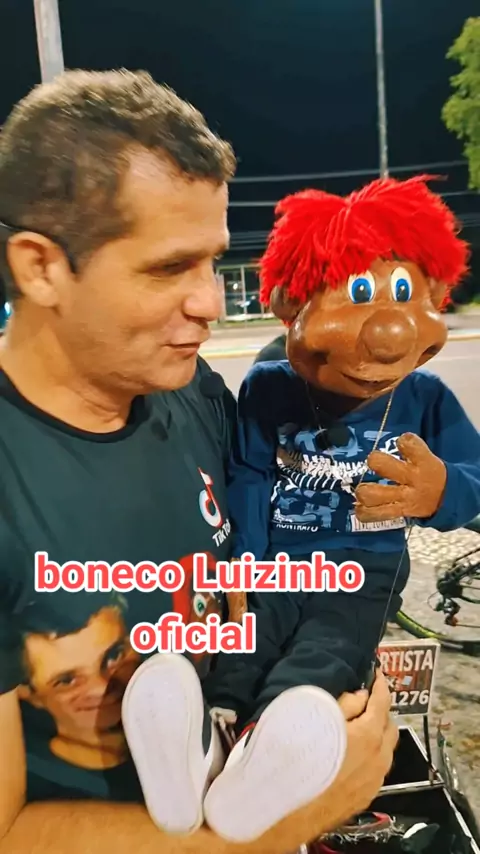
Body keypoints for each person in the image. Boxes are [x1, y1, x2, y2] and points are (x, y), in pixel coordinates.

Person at [0, 69, 398, 854]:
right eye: (167, 268)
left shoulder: (193, 391)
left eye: (212, 262)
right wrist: (280, 826)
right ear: (41, 266)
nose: (212, 303)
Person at [122, 176, 480, 844]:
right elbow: (250, 474)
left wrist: (440, 493)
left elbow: (472, 479)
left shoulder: (426, 398)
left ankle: (266, 754)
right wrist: (246, 564)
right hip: (281, 561)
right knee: (244, 645)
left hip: (366, 569)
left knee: (324, 655)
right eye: (358, 293)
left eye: (404, 292)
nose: (386, 330)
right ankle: (206, 746)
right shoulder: (270, 387)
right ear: (294, 304)